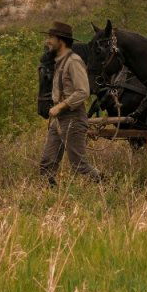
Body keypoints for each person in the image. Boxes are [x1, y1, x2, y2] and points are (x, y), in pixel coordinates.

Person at [39, 21, 102, 184]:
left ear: (61, 40)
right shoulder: (59, 61)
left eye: (51, 38)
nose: (48, 41)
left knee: (79, 166)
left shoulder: (74, 62)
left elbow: (83, 91)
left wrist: (59, 106)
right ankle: (49, 198)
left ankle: (107, 187)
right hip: (59, 119)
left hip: (73, 118)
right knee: (47, 162)